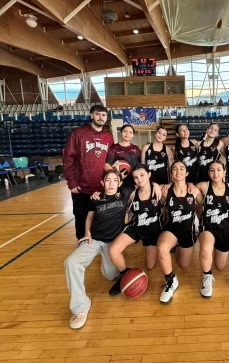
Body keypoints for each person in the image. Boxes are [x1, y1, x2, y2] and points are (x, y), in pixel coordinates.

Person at [64, 170, 128, 329]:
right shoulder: (96, 198)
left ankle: (105, 261)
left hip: (112, 244)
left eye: (115, 180)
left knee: (110, 275)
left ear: (120, 183)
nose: (111, 183)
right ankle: (80, 307)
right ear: (102, 183)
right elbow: (90, 217)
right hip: (95, 240)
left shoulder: (124, 195)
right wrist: (87, 233)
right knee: (71, 263)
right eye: (108, 180)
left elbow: (144, 185)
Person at [107, 164, 163, 296]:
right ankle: (124, 273)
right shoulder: (132, 193)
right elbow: (112, 193)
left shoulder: (159, 190)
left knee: (150, 266)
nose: (139, 179)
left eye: (142, 175)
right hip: (135, 228)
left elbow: (178, 185)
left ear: (149, 175)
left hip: (153, 232)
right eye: (136, 177)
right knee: (113, 250)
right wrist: (97, 194)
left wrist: (155, 184)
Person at [63, 104, 114, 240]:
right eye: (97, 114)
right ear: (91, 115)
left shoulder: (108, 137)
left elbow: (109, 161)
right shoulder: (78, 133)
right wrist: (72, 182)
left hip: (101, 188)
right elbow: (68, 160)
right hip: (82, 188)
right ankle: (81, 243)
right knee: (81, 218)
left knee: (100, 218)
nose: (100, 117)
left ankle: (97, 244)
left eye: (103, 115)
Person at [157, 161, 203, 303]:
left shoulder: (194, 190)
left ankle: (176, 246)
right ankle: (171, 280)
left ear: (187, 173)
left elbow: (202, 204)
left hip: (188, 231)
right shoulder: (165, 189)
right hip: (171, 229)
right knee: (162, 248)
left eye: (182, 168)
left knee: (183, 264)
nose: (178, 171)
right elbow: (147, 183)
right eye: (175, 169)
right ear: (171, 174)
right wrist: (157, 188)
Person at [196, 161, 229, 298]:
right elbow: (186, 188)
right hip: (208, 227)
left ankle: (213, 251)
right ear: (208, 173)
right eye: (212, 170)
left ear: (224, 172)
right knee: (205, 249)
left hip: (225, 229)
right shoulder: (203, 186)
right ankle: (207, 276)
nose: (216, 173)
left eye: (219, 170)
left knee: (220, 266)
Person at [105, 124, 141, 192]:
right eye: (125, 131)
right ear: (121, 133)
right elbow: (106, 165)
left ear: (133, 135)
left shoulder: (136, 149)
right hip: (120, 182)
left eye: (130, 132)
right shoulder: (114, 148)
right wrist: (117, 175)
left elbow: (141, 165)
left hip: (135, 181)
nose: (127, 134)